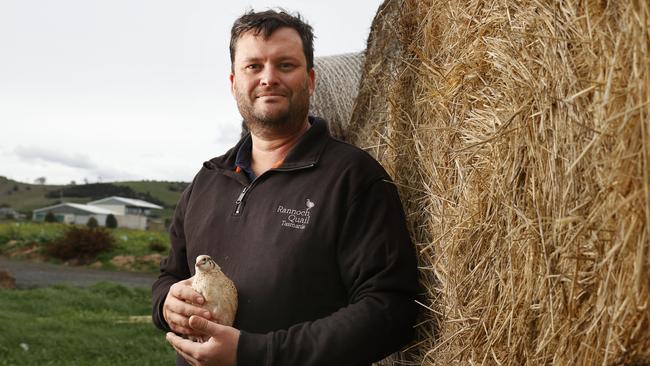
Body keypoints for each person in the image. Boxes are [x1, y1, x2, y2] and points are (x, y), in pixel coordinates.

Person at [152, 9, 420, 366]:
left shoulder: (353, 178)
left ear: (310, 80)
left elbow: (390, 311)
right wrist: (165, 304)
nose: (268, 78)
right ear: (234, 82)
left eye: (285, 65)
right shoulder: (207, 180)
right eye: (253, 66)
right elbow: (169, 274)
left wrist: (252, 354)